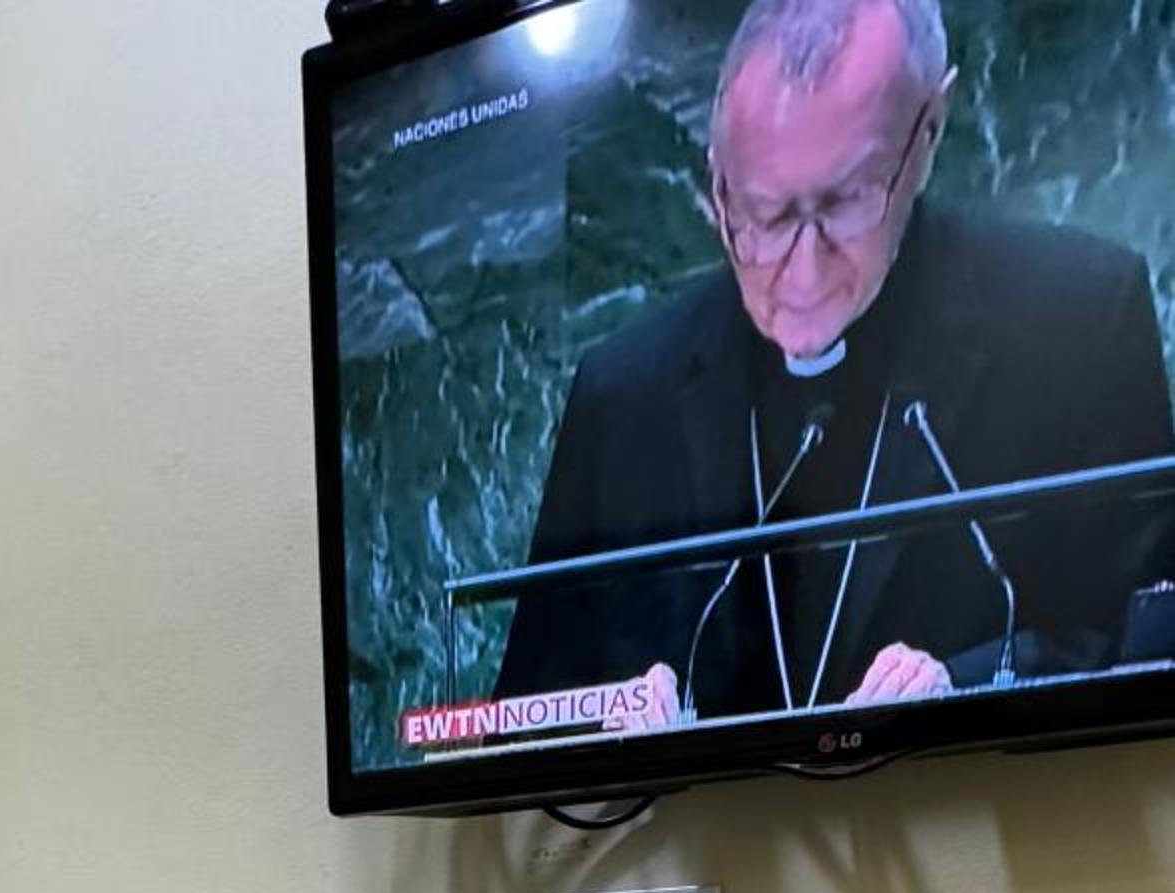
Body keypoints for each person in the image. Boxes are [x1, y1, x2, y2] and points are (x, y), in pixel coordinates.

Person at [495, 0, 1175, 731]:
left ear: (928, 132)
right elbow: (515, 720)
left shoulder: (1078, 318)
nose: (803, 271)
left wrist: (966, 686)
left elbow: (1149, 640)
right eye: (764, 214)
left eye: (847, 202)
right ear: (716, 186)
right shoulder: (622, 394)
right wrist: (611, 714)